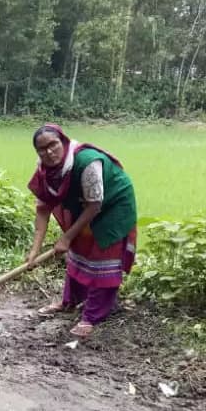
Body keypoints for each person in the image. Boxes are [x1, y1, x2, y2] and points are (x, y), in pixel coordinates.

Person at [27, 124, 137, 337]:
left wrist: (66, 237)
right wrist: (35, 250)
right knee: (78, 249)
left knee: (102, 255)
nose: (49, 152)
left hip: (113, 204)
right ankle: (70, 300)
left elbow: (95, 205)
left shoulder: (88, 163)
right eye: (42, 149)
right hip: (85, 204)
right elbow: (42, 208)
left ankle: (93, 315)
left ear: (64, 142)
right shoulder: (44, 170)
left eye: (53, 145)